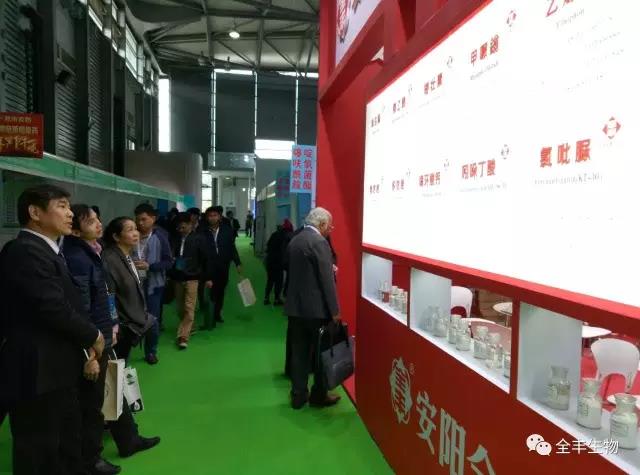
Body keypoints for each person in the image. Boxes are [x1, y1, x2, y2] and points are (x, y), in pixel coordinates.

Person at [0, 185, 105, 475]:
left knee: (62, 443)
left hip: (56, 367)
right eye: (61, 206)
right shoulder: (25, 251)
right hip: (37, 370)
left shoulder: (48, 250)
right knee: (39, 448)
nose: (70, 213)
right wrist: (93, 336)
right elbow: (52, 307)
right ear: (35, 212)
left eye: (69, 206)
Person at [63, 205, 121, 475]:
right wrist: (91, 354)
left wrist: (112, 325)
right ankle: (89, 460)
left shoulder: (92, 253)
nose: (99, 224)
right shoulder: (78, 259)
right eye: (91, 222)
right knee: (90, 405)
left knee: (96, 400)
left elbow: (102, 297)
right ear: (75, 231)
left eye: (98, 219)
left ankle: (90, 455)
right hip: (93, 343)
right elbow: (82, 310)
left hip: (100, 336)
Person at [101, 217, 161, 457]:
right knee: (113, 379)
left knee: (116, 376)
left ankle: (116, 426)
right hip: (121, 329)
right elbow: (109, 297)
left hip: (130, 325)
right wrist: (115, 326)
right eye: (129, 230)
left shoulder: (127, 257)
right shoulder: (109, 259)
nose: (135, 233)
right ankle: (125, 436)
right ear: (116, 236)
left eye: (136, 229)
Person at [284, 207, 341, 410]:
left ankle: (298, 395)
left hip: (295, 308)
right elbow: (326, 280)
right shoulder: (319, 242)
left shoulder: (295, 239)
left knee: (299, 353)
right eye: (330, 226)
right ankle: (319, 394)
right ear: (322, 224)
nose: (330, 230)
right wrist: (335, 310)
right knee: (321, 354)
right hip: (316, 310)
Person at [133, 204, 173, 365]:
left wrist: (150, 266)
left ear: (153, 219)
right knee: (131, 317)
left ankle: (151, 351)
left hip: (154, 285)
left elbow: (168, 262)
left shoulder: (161, 237)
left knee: (152, 320)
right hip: (133, 284)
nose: (140, 223)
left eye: (144, 219)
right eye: (137, 219)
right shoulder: (131, 235)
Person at [170, 213, 208, 349]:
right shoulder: (175, 238)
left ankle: (183, 336)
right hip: (177, 277)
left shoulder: (199, 239)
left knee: (189, 307)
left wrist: (205, 277)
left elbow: (205, 259)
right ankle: (191, 326)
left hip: (193, 278)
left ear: (191, 224)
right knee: (180, 308)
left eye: (183, 227)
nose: (181, 230)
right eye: (179, 228)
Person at [201, 206, 242, 329]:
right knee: (211, 291)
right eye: (210, 216)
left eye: (215, 215)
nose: (212, 218)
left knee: (220, 291)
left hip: (223, 265)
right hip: (208, 266)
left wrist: (237, 262)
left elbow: (232, 248)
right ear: (207, 218)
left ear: (219, 217)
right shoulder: (202, 232)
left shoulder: (227, 230)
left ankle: (217, 313)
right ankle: (211, 316)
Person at [264, 219, 294, 306]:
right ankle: (277, 299)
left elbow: (268, 247)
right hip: (279, 262)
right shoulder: (287, 237)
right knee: (279, 281)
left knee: (270, 280)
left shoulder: (274, 234)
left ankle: (266, 298)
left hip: (270, 261)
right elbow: (287, 251)